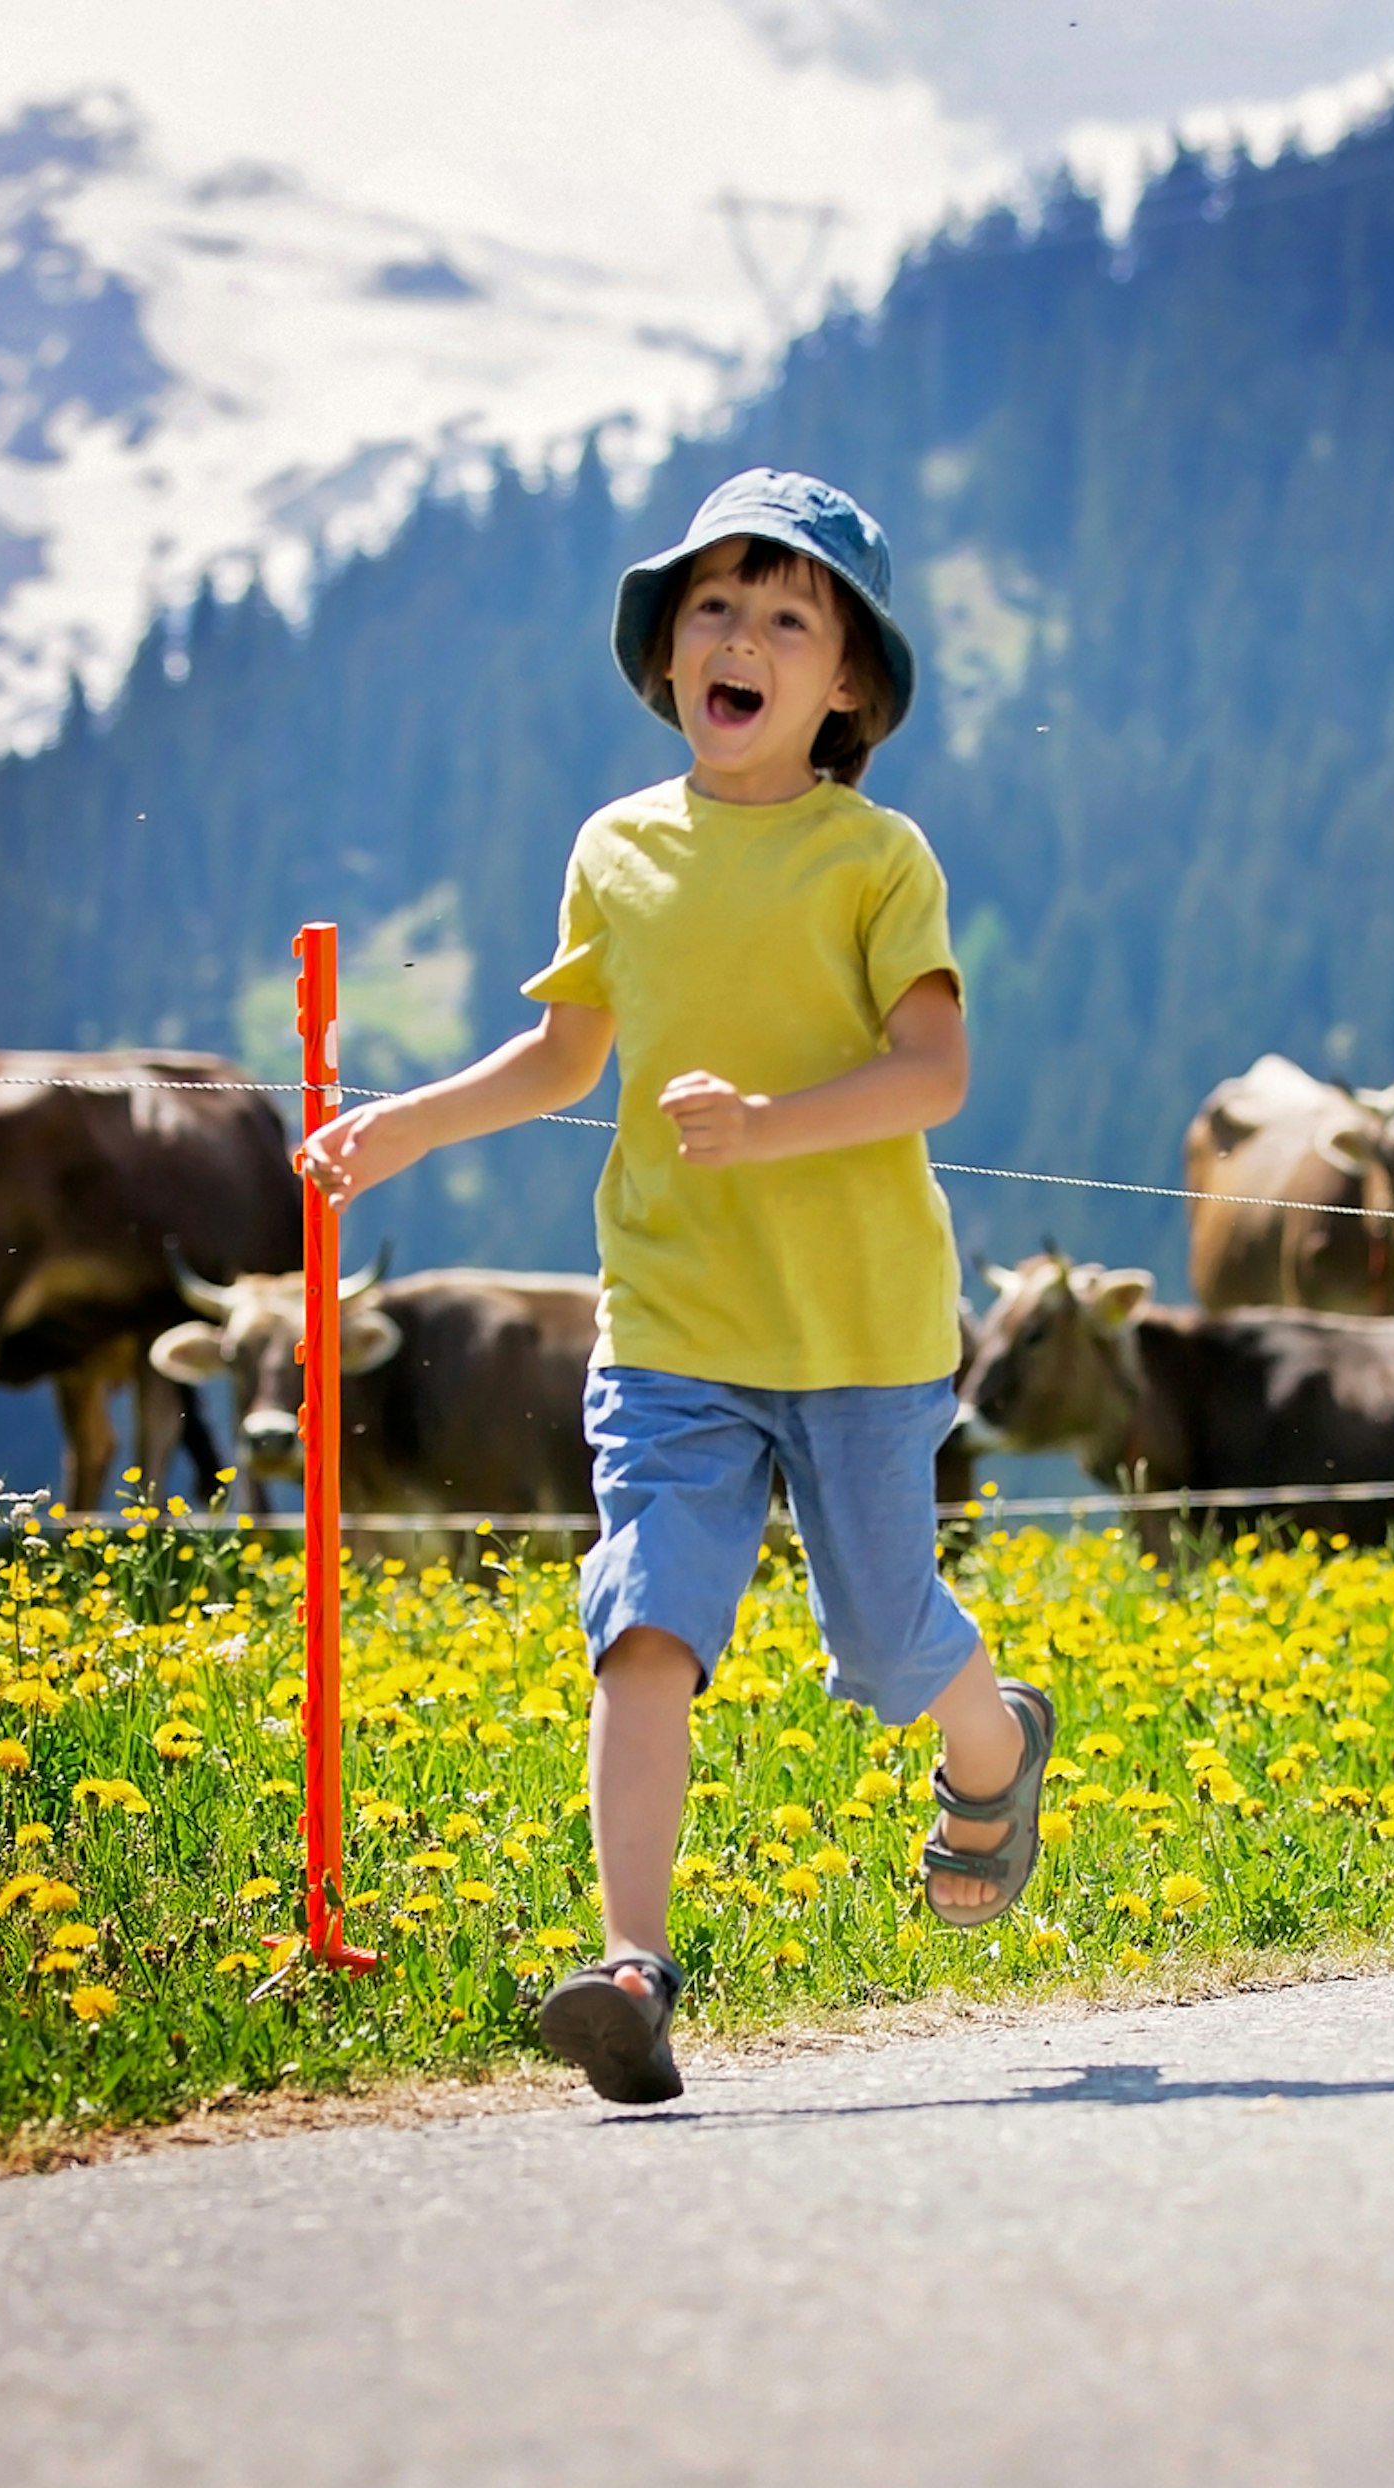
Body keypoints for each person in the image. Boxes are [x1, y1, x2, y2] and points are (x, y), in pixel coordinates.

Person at [299, 468, 1056, 2103]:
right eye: (716, 604)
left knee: (886, 1639)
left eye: (790, 616)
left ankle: (997, 1757)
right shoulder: (617, 849)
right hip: (669, 1325)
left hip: (856, 1329)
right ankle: (633, 1968)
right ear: (667, 654)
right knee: (645, 1616)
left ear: (846, 684)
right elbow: (569, 1052)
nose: (744, 636)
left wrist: (778, 1125)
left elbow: (934, 1071)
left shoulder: (876, 858)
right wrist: (408, 1124)